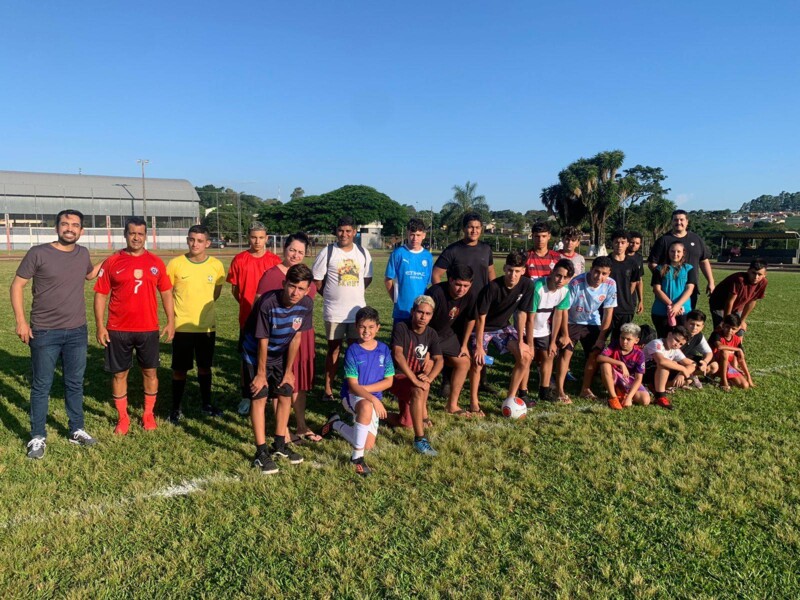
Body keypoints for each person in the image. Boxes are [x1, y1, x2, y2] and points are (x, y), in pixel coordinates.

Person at [11, 209, 102, 459]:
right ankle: (37, 436)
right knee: (41, 386)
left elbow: (88, 274)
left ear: (81, 231)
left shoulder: (83, 253)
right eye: (65, 224)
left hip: (77, 331)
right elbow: (17, 285)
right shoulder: (38, 252)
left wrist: (114, 260)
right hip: (44, 331)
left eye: (75, 225)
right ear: (57, 227)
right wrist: (21, 322)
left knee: (74, 383)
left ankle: (76, 430)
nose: (69, 228)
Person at [94, 217, 175, 434]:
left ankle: (148, 414)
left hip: (148, 329)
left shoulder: (156, 262)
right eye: (132, 233)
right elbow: (101, 294)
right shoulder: (113, 261)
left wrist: (171, 321)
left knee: (150, 372)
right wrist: (100, 326)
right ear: (125, 235)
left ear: (146, 235)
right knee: (119, 374)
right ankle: (123, 417)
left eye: (140, 233)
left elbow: (166, 292)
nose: (136, 237)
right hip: (118, 328)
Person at [241, 264, 315, 475]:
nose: (295, 293)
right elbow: (262, 339)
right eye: (292, 286)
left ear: (308, 290)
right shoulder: (267, 302)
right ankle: (261, 452)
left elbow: (296, 337)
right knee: (260, 394)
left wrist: (289, 370)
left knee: (285, 391)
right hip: (254, 352)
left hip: (280, 353)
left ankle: (280, 445)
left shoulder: (306, 304)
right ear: (284, 284)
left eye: (301, 289)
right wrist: (261, 373)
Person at [256, 232, 321, 443]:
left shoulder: (305, 276)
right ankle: (282, 430)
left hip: (301, 336)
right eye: (292, 249)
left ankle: (301, 425)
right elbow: (259, 308)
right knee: (281, 383)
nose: (295, 255)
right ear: (284, 248)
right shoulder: (271, 275)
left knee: (298, 381)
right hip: (278, 339)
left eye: (300, 252)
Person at [321, 307, 395, 477]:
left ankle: (336, 424)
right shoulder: (353, 351)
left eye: (370, 327)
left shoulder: (384, 349)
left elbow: (389, 381)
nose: (366, 331)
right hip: (351, 397)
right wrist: (372, 399)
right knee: (367, 407)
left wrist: (368, 394)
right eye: (362, 327)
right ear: (356, 327)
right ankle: (356, 459)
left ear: (378, 327)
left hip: (369, 396)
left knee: (367, 444)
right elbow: (353, 386)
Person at [166, 225, 226, 424]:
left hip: (206, 327)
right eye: (192, 239)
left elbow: (215, 294)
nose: (195, 244)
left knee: (205, 368)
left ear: (207, 243)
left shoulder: (216, 266)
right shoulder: (175, 264)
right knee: (179, 369)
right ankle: (175, 408)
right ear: (187, 240)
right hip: (182, 327)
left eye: (200, 241)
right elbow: (167, 294)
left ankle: (206, 404)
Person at [312, 216, 373, 403]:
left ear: (354, 232)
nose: (344, 234)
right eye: (340, 230)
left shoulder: (362, 252)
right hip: (334, 312)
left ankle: (355, 387)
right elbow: (317, 280)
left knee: (356, 351)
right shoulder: (328, 252)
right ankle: (328, 389)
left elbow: (367, 278)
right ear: (336, 232)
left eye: (348, 231)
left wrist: (353, 292)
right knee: (333, 350)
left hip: (357, 313)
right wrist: (331, 295)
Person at [470, 251, 535, 414]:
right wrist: (479, 346)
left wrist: (521, 341)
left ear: (523, 271)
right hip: (483, 328)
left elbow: (521, 314)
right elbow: (480, 318)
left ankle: (510, 398)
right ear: (505, 268)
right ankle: (474, 402)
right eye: (510, 270)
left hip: (503, 327)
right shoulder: (492, 287)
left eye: (517, 271)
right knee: (478, 362)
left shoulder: (527, 285)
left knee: (525, 356)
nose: (513, 275)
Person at [227, 222, 281, 415]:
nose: (257, 241)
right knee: (246, 361)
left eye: (261, 237)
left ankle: (271, 395)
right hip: (247, 319)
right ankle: (246, 396)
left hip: (271, 321)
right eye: (253, 237)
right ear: (248, 238)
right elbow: (235, 290)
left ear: (267, 238)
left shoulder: (274, 260)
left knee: (271, 359)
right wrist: (247, 306)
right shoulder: (240, 259)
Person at [555, 256, 617, 403]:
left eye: (604, 273)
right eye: (597, 272)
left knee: (595, 352)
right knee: (566, 352)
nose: (599, 276)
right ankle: (560, 390)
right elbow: (563, 309)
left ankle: (585, 388)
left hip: (592, 322)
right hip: (571, 321)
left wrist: (601, 338)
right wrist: (564, 334)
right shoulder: (576, 283)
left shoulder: (610, 284)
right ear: (591, 269)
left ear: (609, 274)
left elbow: (609, 313)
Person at [390, 295, 444, 455]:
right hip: (397, 377)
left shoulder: (432, 333)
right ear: (413, 312)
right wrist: (415, 380)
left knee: (406, 422)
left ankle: (377, 415)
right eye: (420, 312)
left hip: (415, 380)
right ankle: (420, 439)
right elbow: (398, 355)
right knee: (418, 388)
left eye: (428, 314)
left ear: (431, 316)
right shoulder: (401, 327)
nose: (423, 317)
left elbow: (439, 360)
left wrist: (430, 377)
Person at [426, 264, 478, 415]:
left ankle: (452, 405)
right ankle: (421, 409)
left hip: (447, 335)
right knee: (427, 366)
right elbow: (422, 321)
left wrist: (464, 345)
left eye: (465, 286)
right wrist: (426, 348)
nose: (461, 289)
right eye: (458, 285)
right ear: (450, 280)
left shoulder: (470, 295)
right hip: (430, 336)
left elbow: (470, 319)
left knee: (464, 362)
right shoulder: (435, 293)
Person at [526, 258, 574, 405]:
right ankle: (522, 391)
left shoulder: (565, 291)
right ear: (552, 272)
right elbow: (529, 317)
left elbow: (558, 315)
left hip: (543, 329)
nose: (561, 280)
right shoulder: (538, 287)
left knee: (549, 355)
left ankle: (544, 391)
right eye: (558, 275)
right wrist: (530, 344)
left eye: (566, 278)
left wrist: (553, 342)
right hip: (526, 328)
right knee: (526, 358)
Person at [648, 210, 715, 308]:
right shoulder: (663, 240)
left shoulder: (696, 239)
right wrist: (663, 278)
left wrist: (711, 282)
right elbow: (652, 263)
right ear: (671, 222)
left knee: (688, 320)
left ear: (687, 221)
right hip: (668, 292)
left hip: (690, 289)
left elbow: (704, 261)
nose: (678, 222)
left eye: (681, 220)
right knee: (668, 320)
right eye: (675, 220)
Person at [385, 218, 433, 322]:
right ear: (407, 234)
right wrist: (396, 300)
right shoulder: (398, 253)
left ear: (424, 235)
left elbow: (428, 284)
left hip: (420, 311)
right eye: (412, 234)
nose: (415, 238)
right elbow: (388, 280)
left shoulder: (427, 256)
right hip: (402, 310)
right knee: (400, 338)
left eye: (418, 235)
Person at [432, 212, 495, 291]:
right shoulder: (452, 250)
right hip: (458, 302)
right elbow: (435, 274)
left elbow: (490, 272)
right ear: (464, 228)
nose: (474, 231)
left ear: (481, 229)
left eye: (477, 227)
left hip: (482, 301)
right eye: (470, 227)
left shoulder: (486, 249)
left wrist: (493, 293)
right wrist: (443, 297)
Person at [597, 323, 651, 410]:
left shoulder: (639, 354)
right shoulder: (614, 345)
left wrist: (629, 398)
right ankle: (613, 397)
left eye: (628, 339)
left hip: (628, 379)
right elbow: (599, 358)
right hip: (613, 375)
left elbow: (638, 379)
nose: (624, 342)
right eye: (622, 338)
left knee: (645, 400)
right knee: (605, 364)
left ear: (636, 341)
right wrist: (620, 364)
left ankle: (622, 393)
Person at [642, 325, 696, 410]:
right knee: (665, 365)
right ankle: (660, 396)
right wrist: (683, 369)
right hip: (643, 372)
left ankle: (654, 388)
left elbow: (692, 364)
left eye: (681, 344)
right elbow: (661, 361)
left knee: (686, 379)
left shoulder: (676, 350)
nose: (677, 344)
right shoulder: (657, 343)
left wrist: (682, 374)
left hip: (656, 374)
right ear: (669, 334)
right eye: (676, 340)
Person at [651, 241, 697, 338]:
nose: (675, 254)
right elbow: (657, 289)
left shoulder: (689, 268)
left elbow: (690, 289)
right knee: (664, 339)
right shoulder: (659, 269)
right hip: (661, 311)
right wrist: (672, 305)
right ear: (668, 252)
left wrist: (677, 305)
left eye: (678, 251)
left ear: (683, 253)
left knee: (681, 340)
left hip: (683, 311)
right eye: (672, 251)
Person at [708, 259, 768, 332]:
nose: (756, 277)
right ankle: (715, 342)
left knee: (739, 330)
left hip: (738, 306)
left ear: (765, 275)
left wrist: (742, 321)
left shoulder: (763, 282)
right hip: (719, 305)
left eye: (759, 274)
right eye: (753, 273)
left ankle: (738, 343)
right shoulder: (739, 280)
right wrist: (726, 321)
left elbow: (752, 301)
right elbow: (730, 301)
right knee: (723, 329)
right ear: (748, 271)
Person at [608, 231, 641, 342]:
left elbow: (633, 283)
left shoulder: (632, 264)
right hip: (606, 306)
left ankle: (616, 358)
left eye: (623, 242)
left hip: (625, 308)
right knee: (601, 336)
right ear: (612, 243)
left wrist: (625, 296)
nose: (619, 245)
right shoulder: (605, 262)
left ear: (627, 244)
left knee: (620, 338)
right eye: (617, 242)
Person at [709, 314, 754, 391]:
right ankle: (723, 381)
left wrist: (749, 377)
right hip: (713, 365)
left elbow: (741, 360)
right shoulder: (716, 334)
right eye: (727, 327)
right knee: (725, 352)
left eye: (733, 328)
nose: (730, 330)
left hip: (727, 366)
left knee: (744, 385)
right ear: (723, 325)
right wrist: (738, 349)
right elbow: (719, 347)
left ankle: (727, 379)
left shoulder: (736, 339)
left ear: (738, 328)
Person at [680, 309, 717, 388]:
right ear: (685, 322)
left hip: (687, 362)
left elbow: (709, 352)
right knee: (686, 380)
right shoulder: (678, 333)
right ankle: (685, 378)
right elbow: (673, 355)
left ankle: (691, 375)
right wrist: (692, 363)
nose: (694, 328)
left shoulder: (698, 335)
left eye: (698, 325)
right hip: (674, 362)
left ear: (702, 326)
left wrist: (705, 362)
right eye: (692, 324)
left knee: (714, 366)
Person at [626, 231, 645, 315]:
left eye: (637, 243)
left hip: (631, 298)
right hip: (619, 295)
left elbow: (639, 280)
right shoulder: (620, 256)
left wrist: (641, 301)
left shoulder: (639, 258)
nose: (634, 245)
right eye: (632, 242)